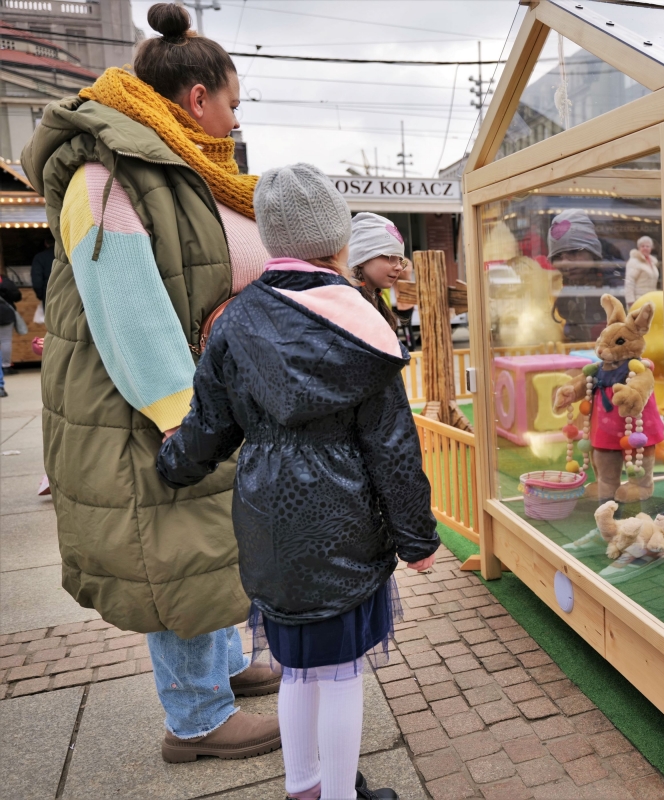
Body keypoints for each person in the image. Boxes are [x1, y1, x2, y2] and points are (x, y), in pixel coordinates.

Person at [21, 3, 282, 761]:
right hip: (151, 407)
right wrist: (188, 420)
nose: (235, 120)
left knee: (208, 545)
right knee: (176, 550)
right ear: (197, 98)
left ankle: (225, 671)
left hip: (194, 397)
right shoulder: (106, 176)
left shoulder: (175, 166)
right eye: (233, 102)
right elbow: (131, 313)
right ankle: (196, 720)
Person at [158, 164, 439, 800]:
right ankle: (339, 794)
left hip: (266, 517)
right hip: (343, 519)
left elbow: (207, 426)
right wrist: (416, 540)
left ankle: (305, 787)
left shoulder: (233, 321)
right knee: (339, 674)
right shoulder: (364, 325)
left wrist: (171, 466)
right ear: (340, 243)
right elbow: (393, 448)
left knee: (297, 671)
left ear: (271, 241)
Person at [548, 209, 623, 341]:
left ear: (592, 252)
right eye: (558, 256)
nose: (565, 263)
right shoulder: (568, 287)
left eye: (574, 252)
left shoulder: (615, 287)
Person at [348, 211, 412, 336]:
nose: (399, 267)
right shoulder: (348, 305)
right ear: (362, 257)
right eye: (391, 258)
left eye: (400, 260)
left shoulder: (371, 298)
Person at [0, 272, 23, 398]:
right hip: (5, 314)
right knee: (5, 341)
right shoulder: (4, 280)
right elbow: (16, 295)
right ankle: (6, 366)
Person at [624, 235, 659, 307]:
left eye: (647, 246)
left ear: (651, 248)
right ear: (639, 248)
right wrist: (630, 301)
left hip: (651, 300)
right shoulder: (634, 261)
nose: (645, 248)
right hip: (638, 301)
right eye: (643, 246)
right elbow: (629, 282)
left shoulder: (652, 262)